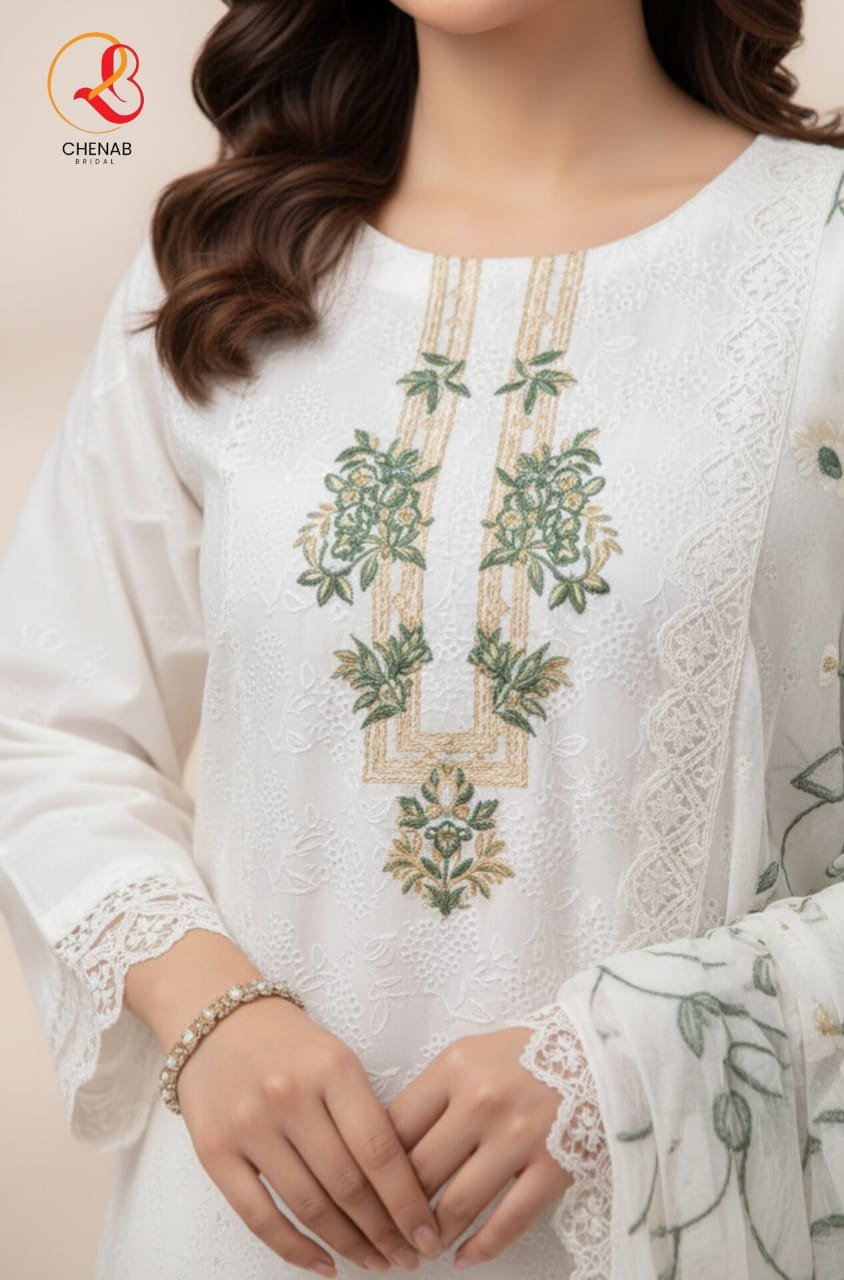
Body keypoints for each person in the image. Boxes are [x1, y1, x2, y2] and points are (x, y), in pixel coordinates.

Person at [3, 1, 844, 1276]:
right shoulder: (231, 264)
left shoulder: (818, 262)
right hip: (237, 1235)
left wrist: (629, 1052)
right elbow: (41, 717)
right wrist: (207, 1007)